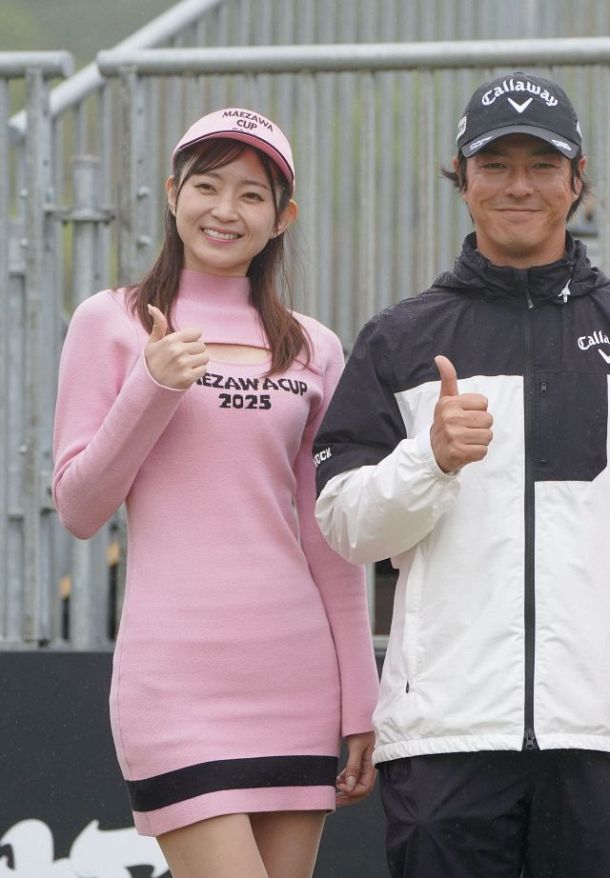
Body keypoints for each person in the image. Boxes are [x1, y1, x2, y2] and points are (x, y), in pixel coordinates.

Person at [311, 71, 610, 878]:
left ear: (578, 179)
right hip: (444, 735)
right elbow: (348, 526)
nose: (519, 185)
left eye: (543, 164)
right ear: (462, 178)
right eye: (495, 165)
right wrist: (428, 460)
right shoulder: (398, 338)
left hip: (603, 734)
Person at [51, 108, 379, 878]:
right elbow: (79, 507)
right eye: (207, 186)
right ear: (173, 194)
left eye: (251, 194)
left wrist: (361, 698)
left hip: (295, 678)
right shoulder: (111, 323)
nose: (225, 210)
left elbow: (328, 537)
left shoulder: (314, 347)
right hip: (175, 684)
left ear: (283, 217)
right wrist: (151, 385)